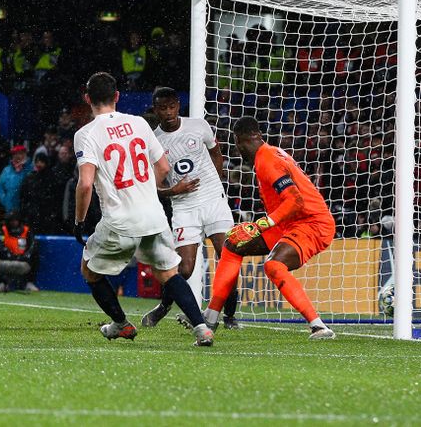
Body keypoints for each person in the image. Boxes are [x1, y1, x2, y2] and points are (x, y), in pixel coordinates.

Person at [72, 72, 214, 346]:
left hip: (119, 220)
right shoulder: (139, 123)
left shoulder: (86, 134)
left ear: (87, 98)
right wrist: (146, 190)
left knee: (89, 270)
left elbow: (86, 184)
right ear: (117, 96)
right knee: (168, 274)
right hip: (154, 216)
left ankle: (121, 324)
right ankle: (201, 327)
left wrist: (79, 221)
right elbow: (163, 167)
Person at [205, 116, 336, 340]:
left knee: (274, 265)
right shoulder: (270, 152)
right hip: (289, 221)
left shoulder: (267, 161)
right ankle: (210, 316)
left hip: (312, 223)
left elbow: (295, 201)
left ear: (238, 142)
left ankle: (318, 326)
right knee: (234, 244)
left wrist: (261, 224)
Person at [141, 87, 240, 329]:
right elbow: (152, 186)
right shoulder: (153, 142)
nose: (168, 112)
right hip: (184, 207)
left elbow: (216, 153)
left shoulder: (199, 126)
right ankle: (164, 305)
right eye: (162, 108)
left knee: (228, 258)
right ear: (156, 110)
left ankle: (229, 316)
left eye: (172, 106)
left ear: (178, 105)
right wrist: (173, 191)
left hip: (214, 201)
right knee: (184, 269)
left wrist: (214, 183)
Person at [0, 213, 35, 292]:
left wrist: (24, 256)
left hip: (23, 258)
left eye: (15, 220)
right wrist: (8, 254)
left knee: (34, 255)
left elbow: (32, 245)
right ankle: (0, 283)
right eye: (11, 221)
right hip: (7, 257)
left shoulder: (26, 230)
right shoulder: (3, 230)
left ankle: (29, 283)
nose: (13, 223)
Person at [0, 144, 31, 215]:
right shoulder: (6, 170)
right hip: (10, 206)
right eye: (15, 154)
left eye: (21, 153)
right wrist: (4, 199)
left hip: (27, 207)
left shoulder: (30, 168)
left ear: (25, 155)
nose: (18, 156)